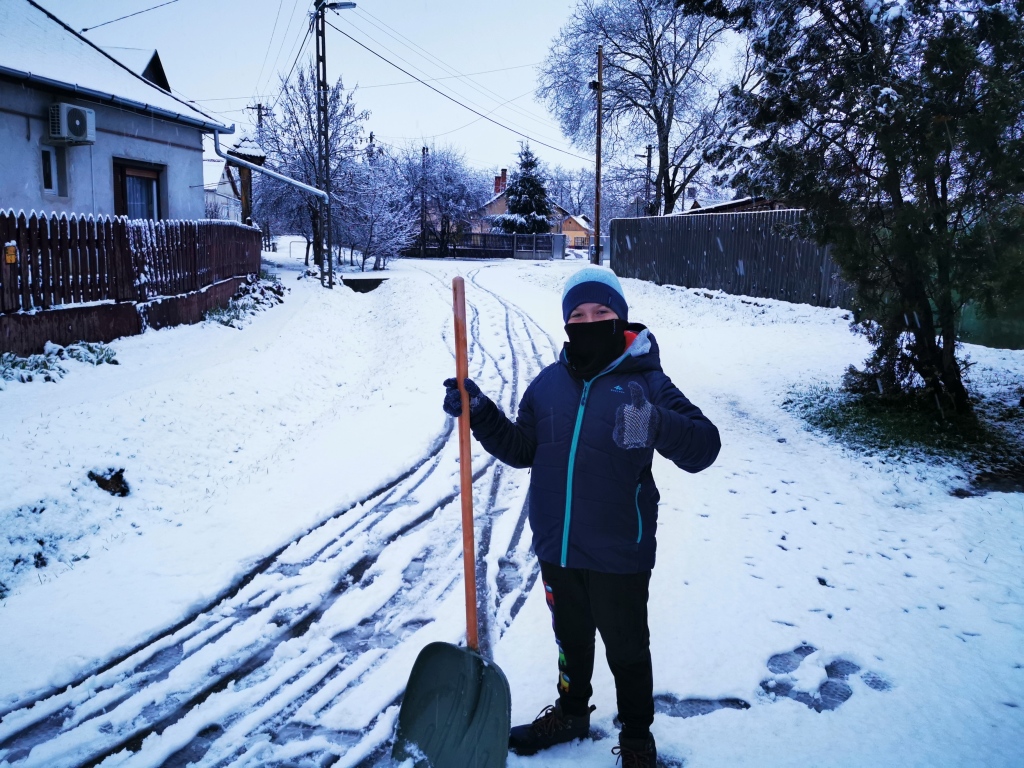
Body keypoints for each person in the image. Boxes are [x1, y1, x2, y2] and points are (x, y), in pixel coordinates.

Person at [442, 266, 720, 768]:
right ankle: (571, 713)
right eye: (578, 315)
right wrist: (481, 413)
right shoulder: (548, 385)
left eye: (601, 311)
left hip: (619, 549)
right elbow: (523, 448)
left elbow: (704, 447)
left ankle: (637, 738)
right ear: (567, 323)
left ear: (621, 317)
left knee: (626, 650)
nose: (589, 322)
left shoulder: (647, 382)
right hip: (558, 545)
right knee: (570, 641)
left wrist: (656, 423)